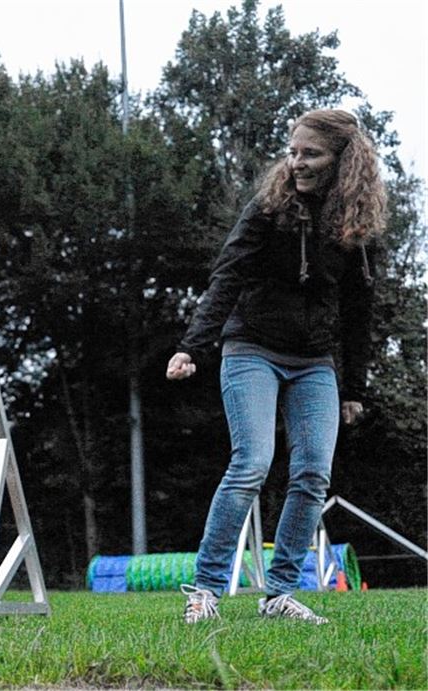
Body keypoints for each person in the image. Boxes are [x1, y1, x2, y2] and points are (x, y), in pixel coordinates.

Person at [167, 109, 387, 624]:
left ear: (343, 160)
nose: (296, 162)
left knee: (312, 473)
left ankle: (281, 593)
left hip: (314, 361)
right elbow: (227, 276)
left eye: (309, 153)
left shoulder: (356, 225)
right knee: (251, 463)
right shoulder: (268, 209)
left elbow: (360, 311)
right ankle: (205, 590)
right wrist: (192, 348)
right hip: (251, 349)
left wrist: (353, 388)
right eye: (292, 151)